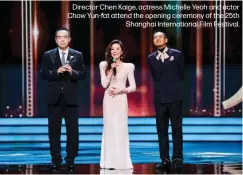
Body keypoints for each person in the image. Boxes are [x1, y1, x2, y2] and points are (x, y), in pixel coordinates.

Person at [40, 27, 86, 172]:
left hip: (71, 99)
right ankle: (55, 160)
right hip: (54, 99)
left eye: (64, 37)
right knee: (54, 131)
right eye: (59, 37)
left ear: (69, 39)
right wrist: (56, 72)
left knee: (73, 131)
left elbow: (83, 74)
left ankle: (71, 160)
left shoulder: (77, 55)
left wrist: (72, 72)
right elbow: (43, 74)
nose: (62, 39)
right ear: (55, 39)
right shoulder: (48, 55)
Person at [147, 31, 184, 172]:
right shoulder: (151, 58)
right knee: (161, 130)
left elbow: (181, 75)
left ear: (166, 39)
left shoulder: (177, 54)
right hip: (160, 99)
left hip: (175, 98)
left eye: (160, 37)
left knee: (176, 128)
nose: (157, 39)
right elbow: (155, 77)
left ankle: (177, 158)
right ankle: (165, 159)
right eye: (155, 37)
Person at [99, 39, 136, 170]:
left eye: (117, 49)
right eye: (112, 49)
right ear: (109, 51)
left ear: (122, 52)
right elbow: (104, 84)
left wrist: (122, 90)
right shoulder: (103, 65)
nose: (114, 51)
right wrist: (110, 70)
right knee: (109, 128)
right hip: (108, 100)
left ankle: (122, 161)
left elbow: (133, 86)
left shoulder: (129, 66)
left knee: (120, 128)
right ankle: (109, 162)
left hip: (121, 99)